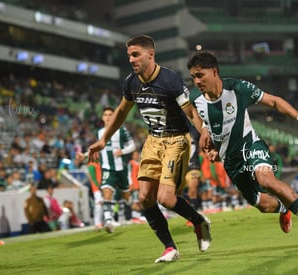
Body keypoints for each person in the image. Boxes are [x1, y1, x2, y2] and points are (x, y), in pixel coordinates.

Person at [87, 34, 212, 263]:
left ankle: (199, 221)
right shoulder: (131, 82)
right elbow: (122, 111)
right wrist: (104, 138)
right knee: (144, 197)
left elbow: (190, 111)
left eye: (136, 55)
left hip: (177, 140)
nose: (132, 60)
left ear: (150, 54)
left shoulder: (169, 79)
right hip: (153, 141)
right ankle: (170, 248)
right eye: (129, 56)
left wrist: (203, 131)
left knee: (165, 198)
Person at [187, 51, 298, 240]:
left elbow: (273, 101)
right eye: (193, 77)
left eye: (200, 75)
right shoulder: (196, 99)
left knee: (266, 180)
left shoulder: (238, 89)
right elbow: (200, 120)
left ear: (214, 72)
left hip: (251, 146)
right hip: (231, 162)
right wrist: (210, 142)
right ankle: (283, 207)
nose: (196, 81)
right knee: (262, 206)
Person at [98, 107, 136, 233]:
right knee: (107, 191)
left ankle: (134, 212)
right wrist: (85, 155)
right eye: (105, 114)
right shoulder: (100, 132)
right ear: (102, 117)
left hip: (121, 168)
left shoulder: (121, 130)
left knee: (126, 196)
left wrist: (123, 151)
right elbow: (98, 148)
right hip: (108, 168)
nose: (108, 117)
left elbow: (133, 146)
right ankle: (108, 221)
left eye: (110, 114)